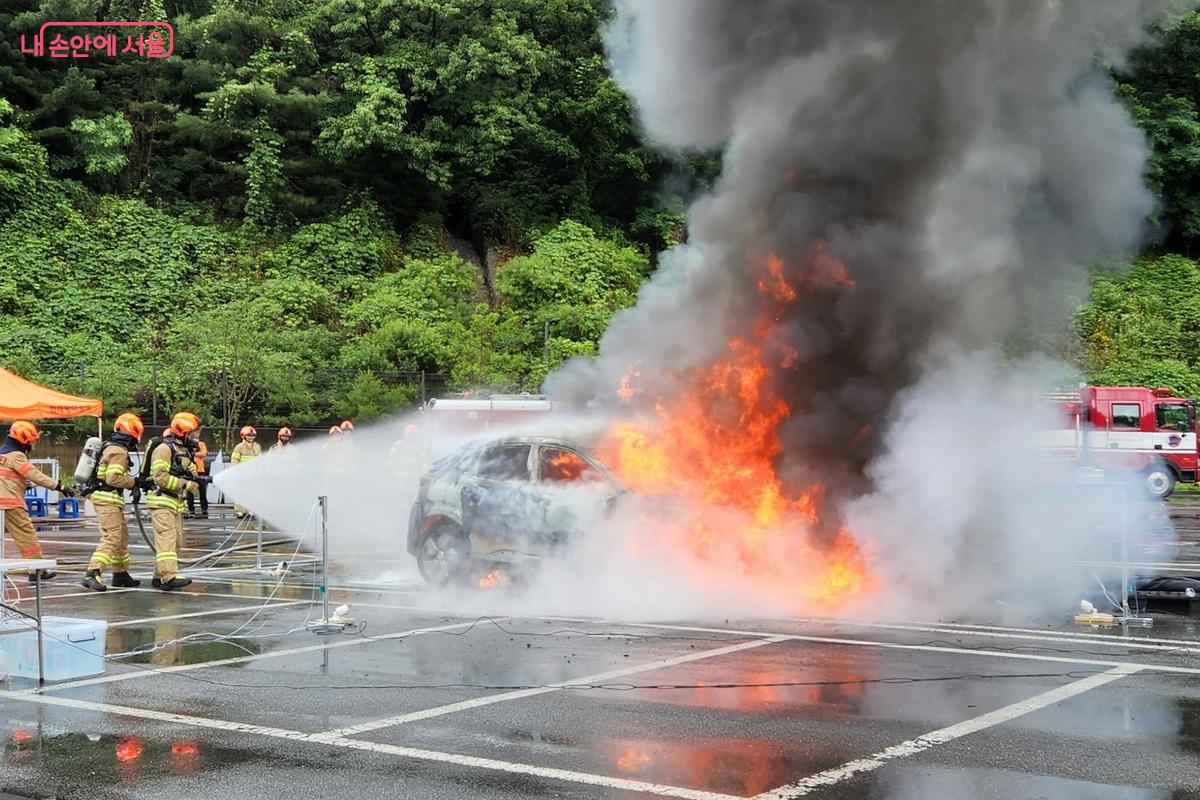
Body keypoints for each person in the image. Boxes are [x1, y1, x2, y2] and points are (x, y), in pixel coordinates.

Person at [81, 413, 145, 592]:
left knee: (121, 536)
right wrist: (135, 482)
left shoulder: (111, 447)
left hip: (108, 499)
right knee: (112, 537)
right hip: (106, 499)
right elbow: (113, 478)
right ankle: (92, 573)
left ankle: (120, 573)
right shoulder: (118, 451)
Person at [0, 421, 70, 581]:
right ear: (23, 440)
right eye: (31, 441)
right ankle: (37, 571)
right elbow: (35, 475)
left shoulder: (2, 455)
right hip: (11, 505)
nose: (33, 444)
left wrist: (23, 486)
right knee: (27, 537)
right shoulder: (17, 456)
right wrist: (59, 486)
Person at [147, 412, 201, 591]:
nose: (195, 437)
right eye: (192, 433)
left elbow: (180, 471)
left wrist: (192, 472)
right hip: (162, 501)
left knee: (175, 541)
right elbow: (160, 477)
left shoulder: (182, 450)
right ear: (182, 432)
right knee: (167, 540)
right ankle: (168, 577)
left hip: (175, 502)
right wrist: (186, 484)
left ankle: (158, 576)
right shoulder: (164, 449)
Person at [230, 425, 261, 519]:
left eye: (252, 435)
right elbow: (234, 461)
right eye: (248, 435)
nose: (251, 437)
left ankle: (251, 511)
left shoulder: (257, 446)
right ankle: (239, 511)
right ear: (243, 436)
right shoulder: (239, 447)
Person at [185, 437, 209, 520]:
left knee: (202, 491)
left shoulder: (201, 444)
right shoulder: (186, 446)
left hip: (200, 471)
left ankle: (204, 509)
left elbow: (203, 454)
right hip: (189, 472)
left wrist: (193, 453)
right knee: (190, 491)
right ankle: (191, 509)